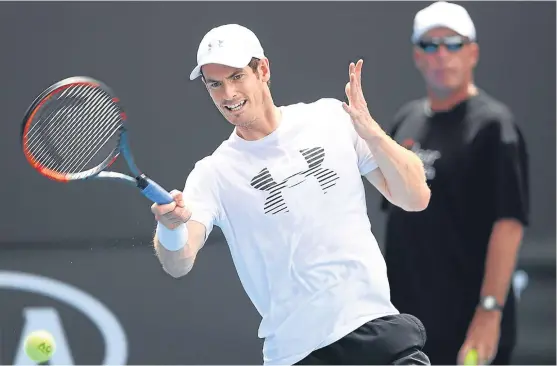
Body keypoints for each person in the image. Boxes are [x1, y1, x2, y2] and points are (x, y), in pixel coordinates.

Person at [150, 23, 432, 365]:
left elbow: (415, 197)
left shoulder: (331, 117)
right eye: (215, 85)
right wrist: (170, 227)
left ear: (263, 70)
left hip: (375, 332)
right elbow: (177, 264)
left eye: (237, 77)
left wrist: (372, 132)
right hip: (297, 354)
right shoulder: (213, 173)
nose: (228, 95)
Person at [381, 2, 530, 365]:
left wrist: (489, 312)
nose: (442, 54)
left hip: (468, 327)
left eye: (453, 43)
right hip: (409, 326)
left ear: (473, 52)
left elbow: (508, 224)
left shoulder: (495, 126)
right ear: (417, 56)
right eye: (431, 45)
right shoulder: (406, 121)